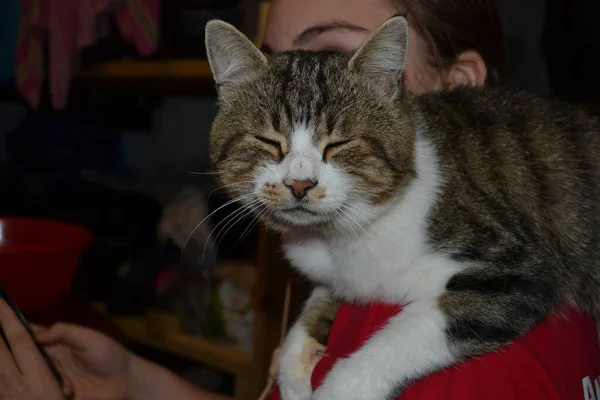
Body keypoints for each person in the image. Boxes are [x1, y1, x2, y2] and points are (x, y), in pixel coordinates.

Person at [2, 0, 599, 399]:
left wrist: (356, 379)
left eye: (334, 53)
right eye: (272, 65)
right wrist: (136, 382)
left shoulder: (473, 364)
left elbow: (514, 287)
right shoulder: (358, 261)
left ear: (456, 86)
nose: (298, 179)